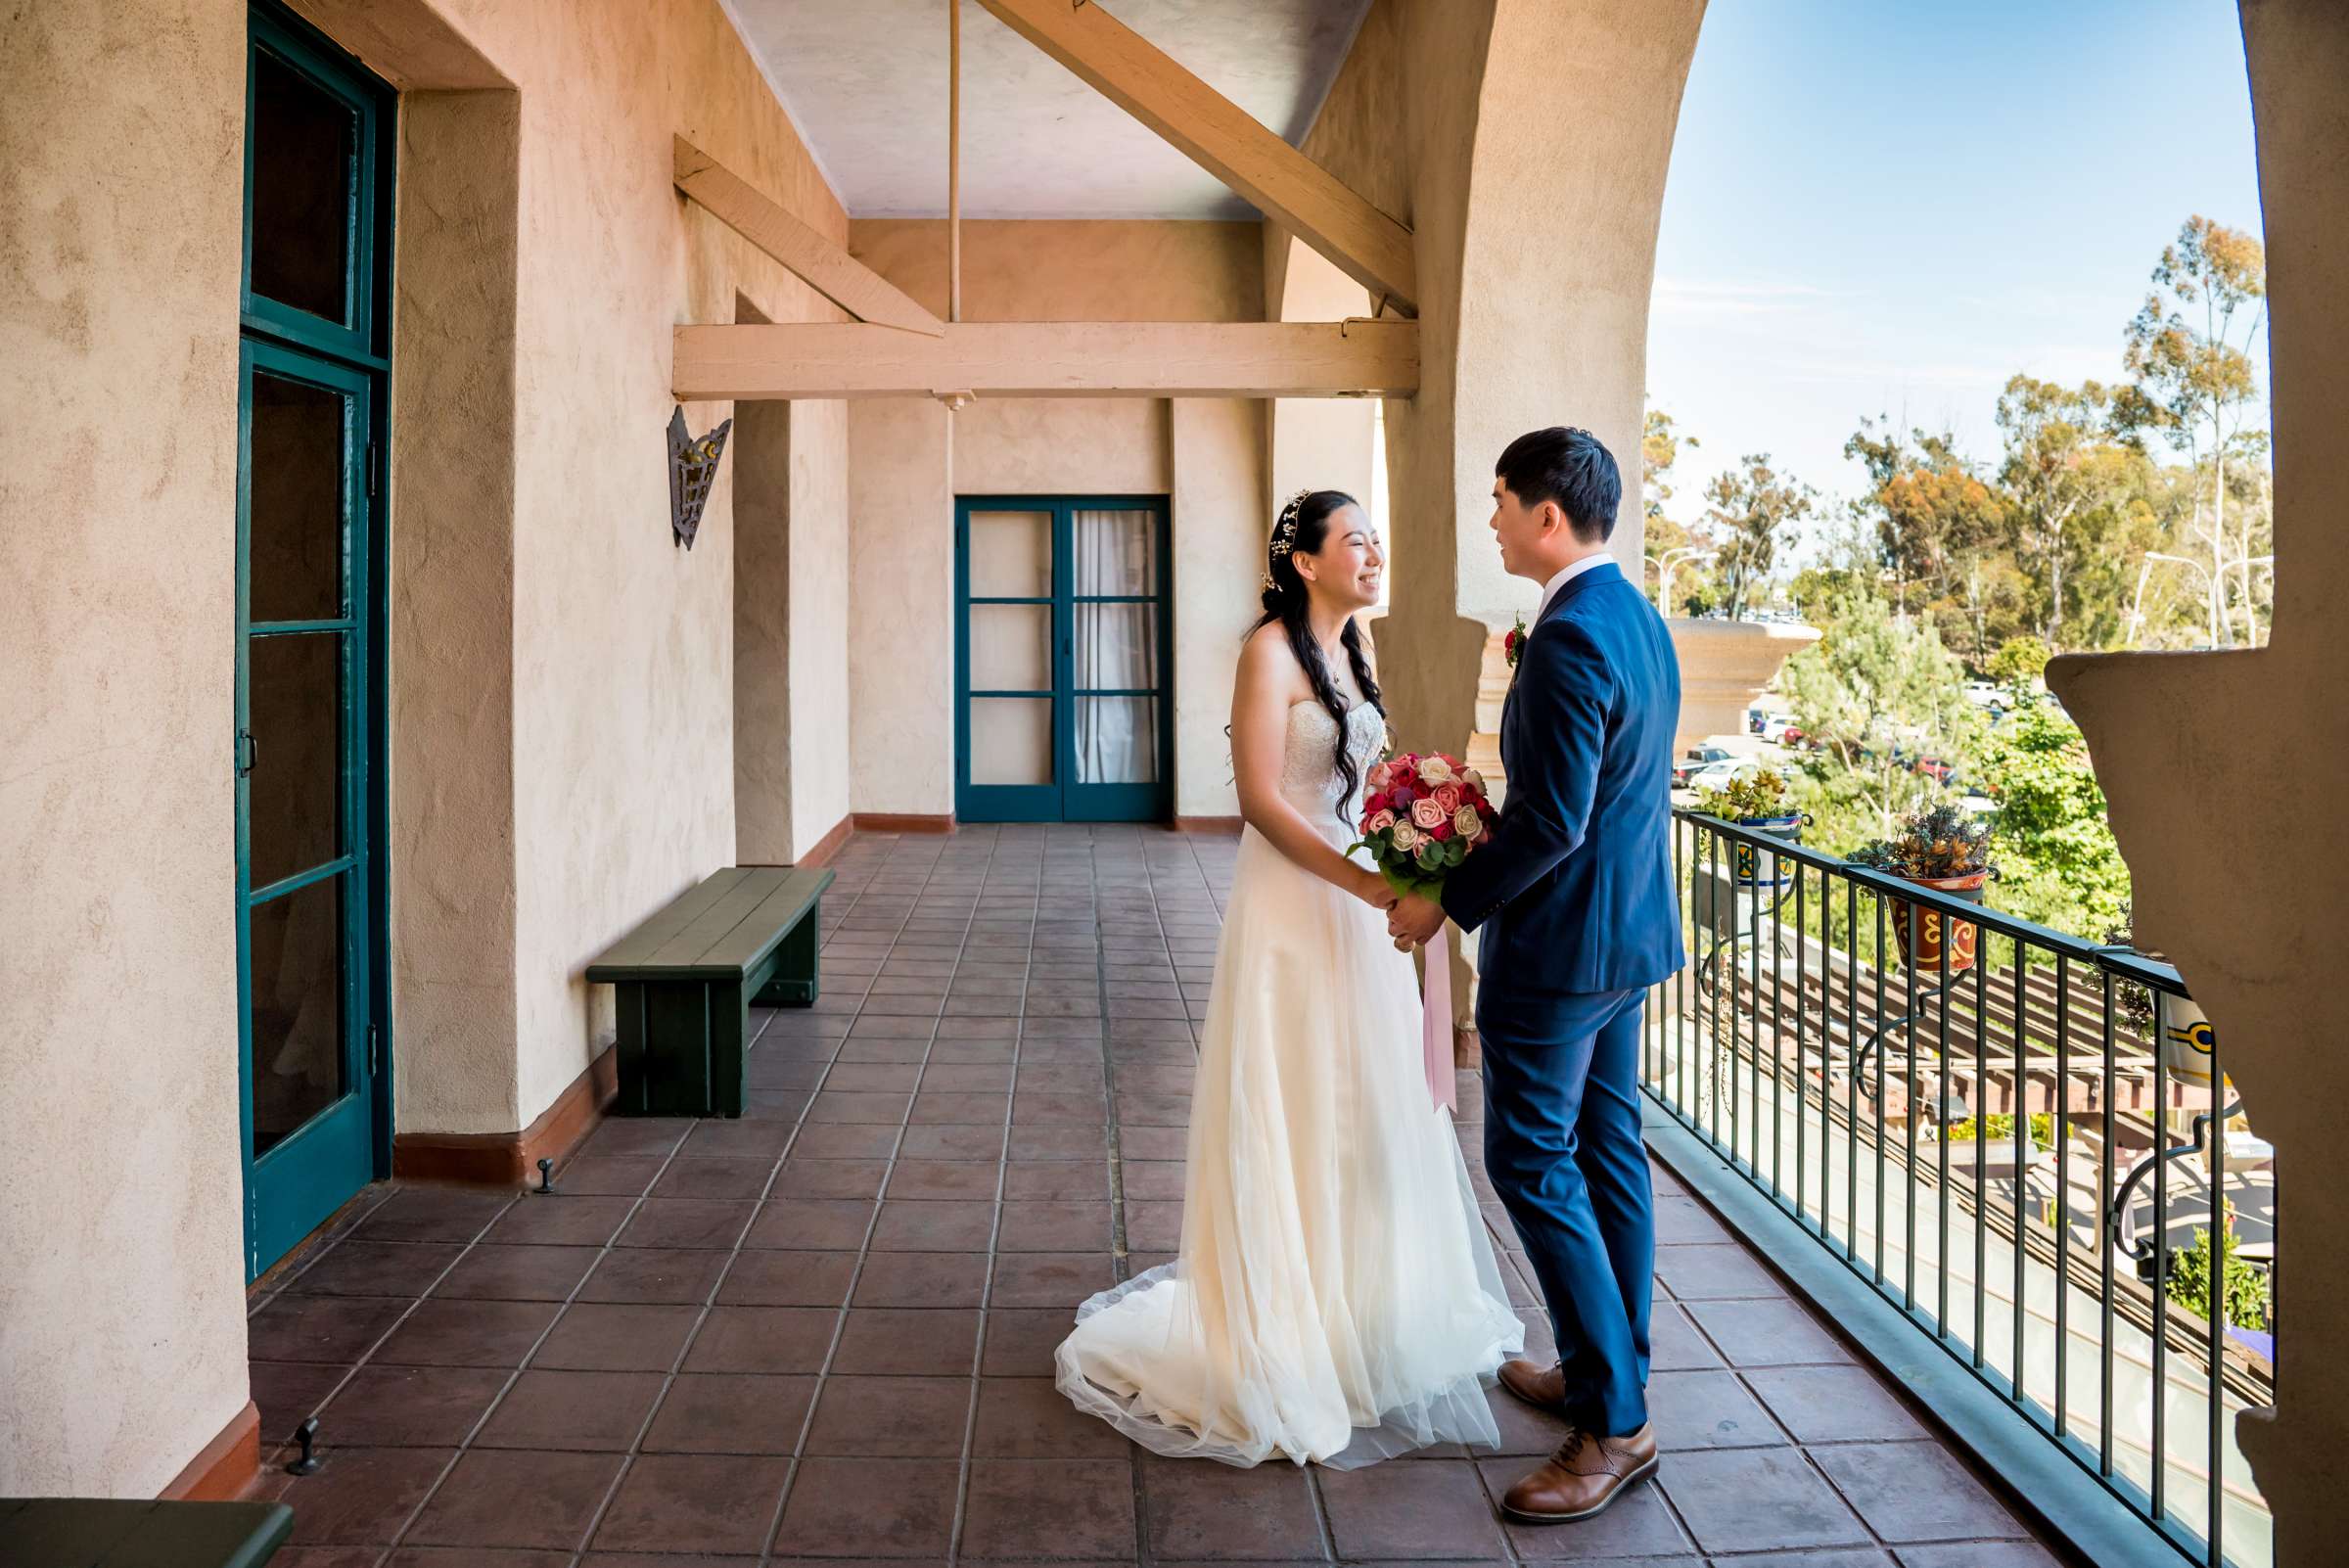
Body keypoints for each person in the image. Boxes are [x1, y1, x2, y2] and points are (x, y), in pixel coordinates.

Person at [1055, 488, 1522, 1467]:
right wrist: (1365, 881)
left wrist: (1409, 846)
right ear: (1306, 561)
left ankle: (1360, 1316)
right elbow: (1266, 800)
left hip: (1359, 899)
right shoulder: (1266, 652)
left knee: (1365, 1100)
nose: (1374, 554)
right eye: (1356, 541)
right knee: (1296, 1089)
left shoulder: (1356, 651)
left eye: (1376, 539)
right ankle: (1285, 1332)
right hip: (1296, 899)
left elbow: (1366, 778)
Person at [1388, 427, 1685, 1523]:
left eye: (1503, 502)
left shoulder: (1567, 638)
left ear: (1547, 517)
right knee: (1608, 1153)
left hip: (1562, 954)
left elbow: (1552, 820)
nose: (1496, 520)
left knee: (1529, 1159)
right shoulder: (1636, 617)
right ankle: (1607, 1368)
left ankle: (1614, 1424)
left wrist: (1444, 902)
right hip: (1628, 942)